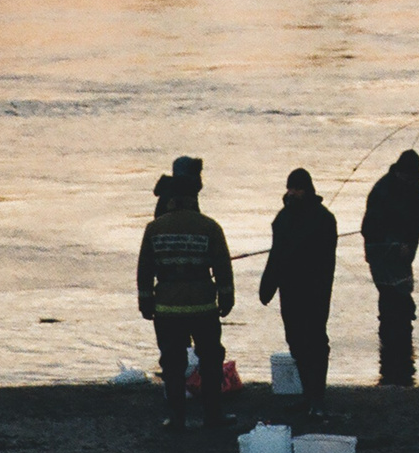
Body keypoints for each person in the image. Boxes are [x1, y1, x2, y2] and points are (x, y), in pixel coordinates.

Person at [137, 156, 235, 430]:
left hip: (167, 307)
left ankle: (176, 418)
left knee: (172, 363)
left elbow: (145, 269)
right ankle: (212, 415)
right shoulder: (210, 227)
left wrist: (145, 301)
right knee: (211, 360)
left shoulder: (154, 228)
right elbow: (223, 268)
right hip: (203, 305)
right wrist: (226, 298)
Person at [259, 167, 337, 414]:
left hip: (315, 290)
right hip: (289, 290)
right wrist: (267, 286)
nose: (292, 192)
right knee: (295, 340)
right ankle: (307, 395)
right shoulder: (283, 218)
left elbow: (326, 260)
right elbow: (276, 255)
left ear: (308, 189)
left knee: (316, 341)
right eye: (290, 188)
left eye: (298, 188)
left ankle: (317, 399)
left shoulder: (324, 218)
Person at [360, 149, 419, 386]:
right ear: (399, 172)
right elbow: (369, 229)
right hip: (382, 256)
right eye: (407, 176)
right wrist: (394, 246)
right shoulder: (382, 191)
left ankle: (399, 356)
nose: (411, 180)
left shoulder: (413, 186)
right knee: (392, 300)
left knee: (401, 302)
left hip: (403, 259)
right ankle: (392, 359)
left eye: (413, 177)